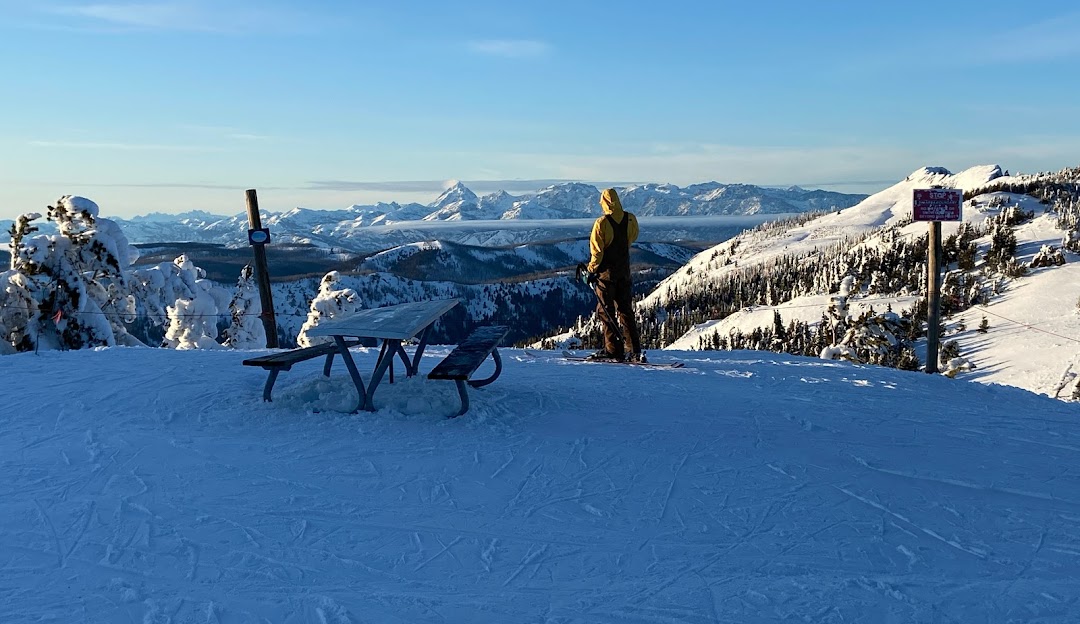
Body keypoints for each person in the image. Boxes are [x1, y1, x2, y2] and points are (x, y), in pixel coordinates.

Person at [580, 188, 644, 362]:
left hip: (606, 275)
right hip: (624, 272)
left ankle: (613, 350)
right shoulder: (630, 219)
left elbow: (597, 252)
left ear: (604, 202)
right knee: (626, 311)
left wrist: (591, 270)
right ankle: (635, 350)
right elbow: (632, 238)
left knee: (606, 312)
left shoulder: (601, 223)